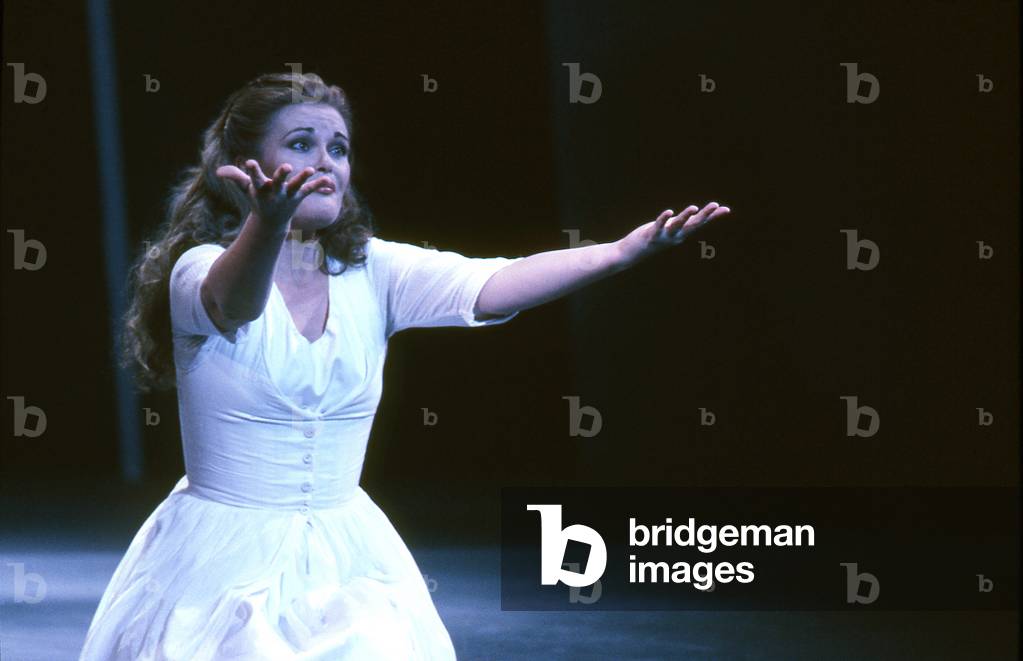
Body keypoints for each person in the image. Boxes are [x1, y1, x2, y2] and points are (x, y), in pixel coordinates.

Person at [79, 71, 730, 660]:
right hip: (221, 557)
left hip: (346, 551)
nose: (326, 162)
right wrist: (267, 225)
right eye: (302, 144)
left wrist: (615, 253)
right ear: (244, 166)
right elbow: (235, 302)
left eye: (338, 148)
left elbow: (492, 284)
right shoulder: (198, 269)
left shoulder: (372, 270)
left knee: (371, 640)